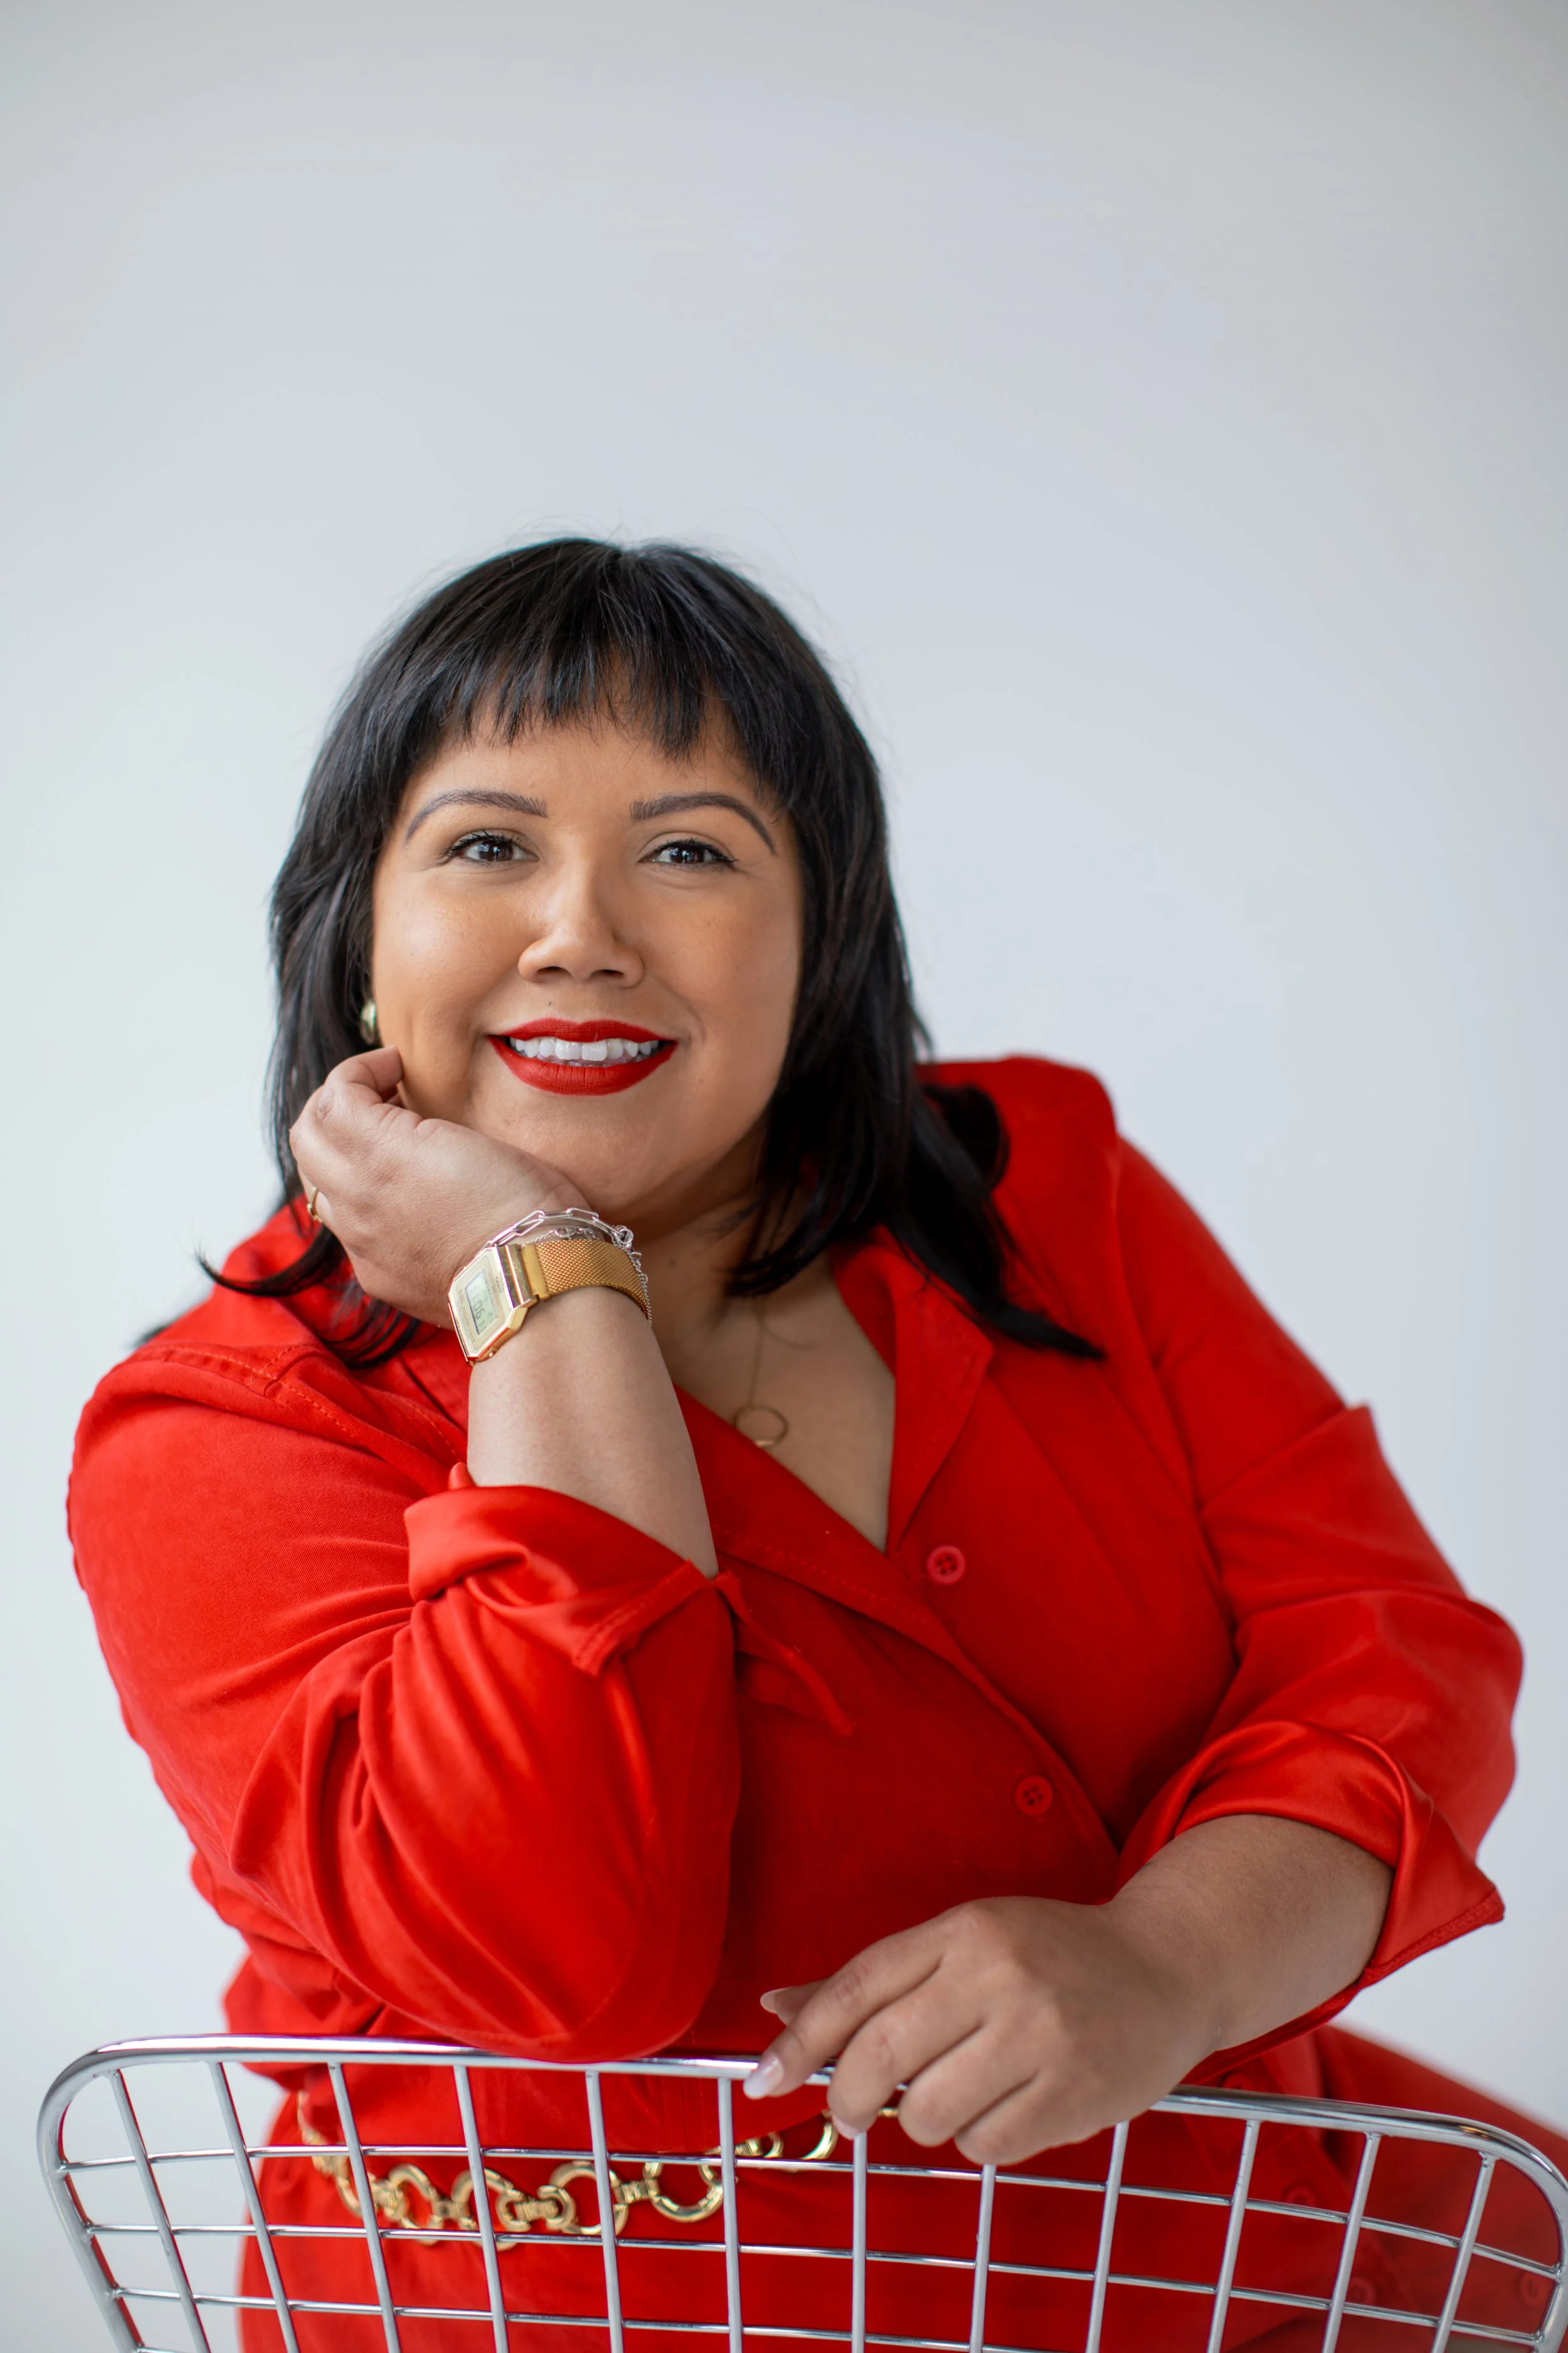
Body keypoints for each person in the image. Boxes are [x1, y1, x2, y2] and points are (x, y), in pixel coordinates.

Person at [69, 539, 1562, 2350]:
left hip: (1211, 2265)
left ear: (821, 930)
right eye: (485, 845)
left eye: (689, 848)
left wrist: (1166, 1962)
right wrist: (546, 1288)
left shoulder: (1041, 1185)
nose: (582, 930)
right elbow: (563, 1948)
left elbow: (1388, 1658)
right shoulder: (222, 1432)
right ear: (357, 937)